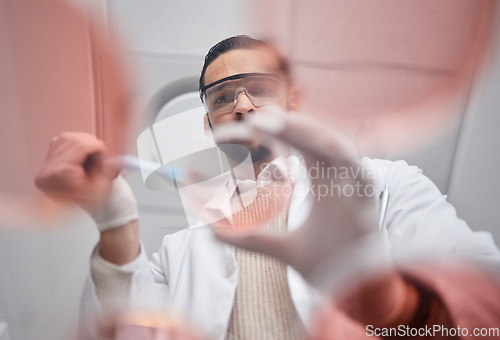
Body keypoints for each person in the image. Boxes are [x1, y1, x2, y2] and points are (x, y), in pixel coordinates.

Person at [35, 36, 500, 340]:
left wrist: (392, 303)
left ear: (293, 101)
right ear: (209, 124)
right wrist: (114, 220)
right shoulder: (181, 253)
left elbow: (487, 312)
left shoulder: (384, 187)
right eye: (221, 98)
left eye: (258, 88)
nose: (242, 105)